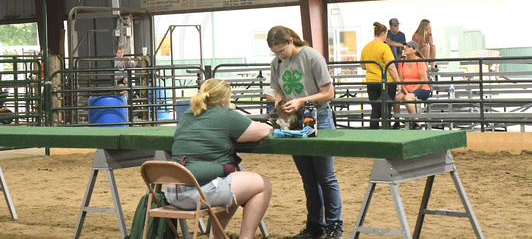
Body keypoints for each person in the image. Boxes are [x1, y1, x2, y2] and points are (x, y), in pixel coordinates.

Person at [167, 78, 272, 239]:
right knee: (263, 184)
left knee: (232, 184)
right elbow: (262, 130)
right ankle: (246, 236)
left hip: (171, 192)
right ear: (224, 100)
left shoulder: (188, 114)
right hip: (198, 194)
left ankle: (217, 237)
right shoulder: (226, 115)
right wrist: (231, 112)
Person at [267, 26, 343, 239]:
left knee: (326, 176)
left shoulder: (312, 57)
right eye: (275, 52)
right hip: (294, 121)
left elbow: (328, 93)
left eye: (282, 50)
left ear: (291, 40)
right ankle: (315, 225)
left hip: (319, 117)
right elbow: (279, 90)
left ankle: (335, 225)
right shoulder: (276, 63)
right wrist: (280, 105)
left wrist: (301, 100)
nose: (279, 55)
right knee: (308, 178)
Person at [360, 22, 401, 130]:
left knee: (375, 108)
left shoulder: (366, 47)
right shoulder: (384, 47)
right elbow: (391, 66)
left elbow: (363, 66)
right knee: (386, 108)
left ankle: (373, 131)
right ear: (383, 33)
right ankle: (385, 131)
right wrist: (398, 82)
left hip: (371, 81)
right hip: (386, 82)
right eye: (386, 33)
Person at [394, 41, 431, 130]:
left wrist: (412, 91)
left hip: (422, 88)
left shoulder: (419, 61)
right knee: (396, 99)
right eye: (405, 46)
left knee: (407, 98)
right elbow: (401, 79)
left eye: (408, 47)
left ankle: (416, 123)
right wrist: (406, 91)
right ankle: (397, 121)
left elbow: (422, 80)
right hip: (406, 88)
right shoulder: (402, 61)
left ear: (414, 50)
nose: (405, 48)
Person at [385, 18, 406, 128]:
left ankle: (401, 120)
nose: (396, 27)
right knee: (392, 47)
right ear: (391, 26)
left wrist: (398, 64)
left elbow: (400, 51)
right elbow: (388, 42)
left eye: (397, 25)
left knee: (397, 97)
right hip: (388, 60)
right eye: (394, 26)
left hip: (395, 61)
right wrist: (399, 45)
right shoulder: (387, 34)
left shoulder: (402, 35)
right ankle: (396, 120)